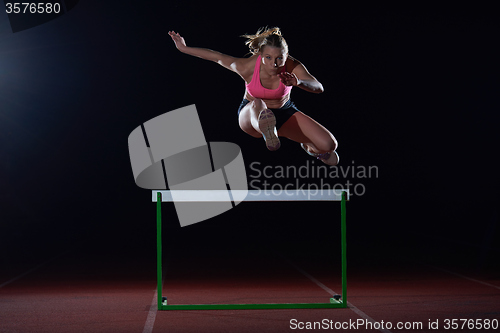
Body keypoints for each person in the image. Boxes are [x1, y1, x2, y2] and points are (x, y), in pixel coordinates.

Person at [168, 27, 339, 165]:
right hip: (251, 116)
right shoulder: (247, 67)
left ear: (286, 56)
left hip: (284, 113)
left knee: (329, 146)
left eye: (280, 58)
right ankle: (267, 129)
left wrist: (299, 83)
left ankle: (310, 148)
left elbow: (318, 87)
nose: (274, 63)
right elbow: (217, 57)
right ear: (260, 55)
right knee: (258, 103)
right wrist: (184, 48)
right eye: (268, 57)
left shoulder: (292, 65)